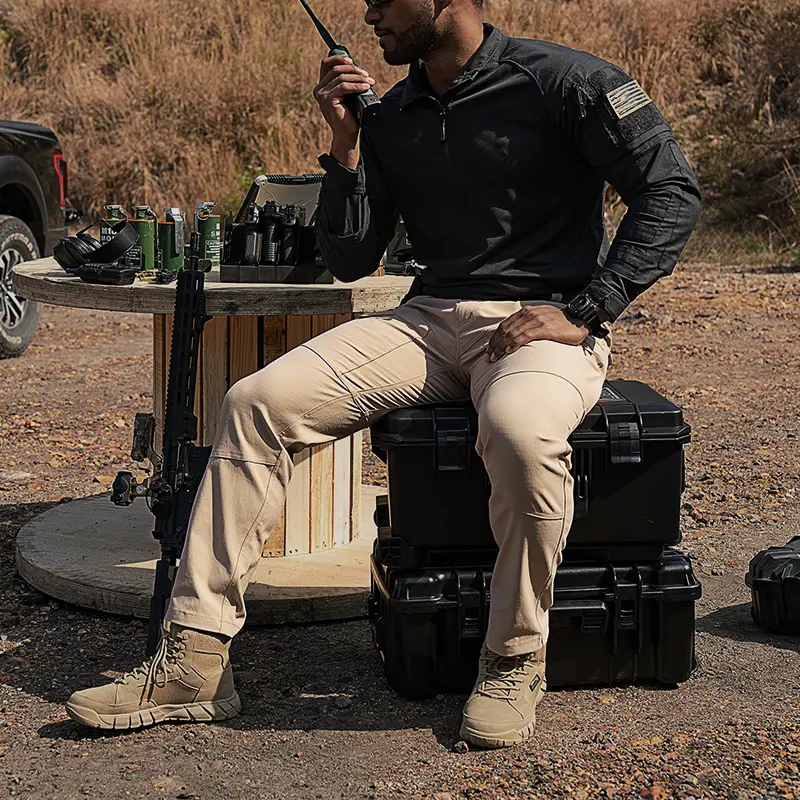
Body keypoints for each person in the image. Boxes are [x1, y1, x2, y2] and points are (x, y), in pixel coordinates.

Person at [65, 0, 701, 748]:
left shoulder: (566, 82)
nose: (368, 12)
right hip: (426, 320)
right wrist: (346, 146)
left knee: (521, 435)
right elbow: (351, 259)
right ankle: (195, 661)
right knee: (254, 402)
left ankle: (513, 657)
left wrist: (589, 308)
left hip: (538, 323)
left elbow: (671, 191)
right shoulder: (394, 113)